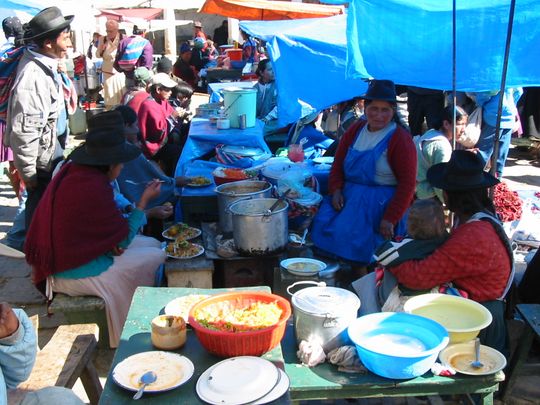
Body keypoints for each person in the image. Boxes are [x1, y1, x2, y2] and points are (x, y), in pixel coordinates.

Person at [24, 122, 167, 348]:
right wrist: (143, 203)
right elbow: (122, 239)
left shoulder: (77, 173)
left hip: (70, 257)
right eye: (120, 164)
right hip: (69, 269)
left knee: (153, 244)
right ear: (110, 164)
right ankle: (131, 334)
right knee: (156, 257)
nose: (121, 169)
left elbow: (106, 233)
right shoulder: (92, 187)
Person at [386, 150, 513, 354]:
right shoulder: (479, 220)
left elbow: (417, 277)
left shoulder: (474, 235)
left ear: (449, 194)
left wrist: (390, 259)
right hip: (475, 308)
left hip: (478, 323)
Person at [311, 80, 417, 272]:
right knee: (329, 231)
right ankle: (349, 279)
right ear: (364, 107)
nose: (378, 115)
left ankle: (368, 285)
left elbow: (408, 185)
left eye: (385, 110)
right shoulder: (356, 129)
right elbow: (338, 164)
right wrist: (336, 190)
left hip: (381, 205)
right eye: (373, 108)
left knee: (372, 254)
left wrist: (390, 218)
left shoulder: (400, 138)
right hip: (351, 198)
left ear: (393, 111)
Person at [4, 6, 73, 229]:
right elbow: (25, 130)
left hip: (48, 154)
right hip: (40, 164)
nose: (70, 44)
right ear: (48, 43)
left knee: (43, 213)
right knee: (36, 216)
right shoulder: (33, 76)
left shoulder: (46, 65)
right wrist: (29, 174)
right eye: (66, 38)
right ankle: (25, 250)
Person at [372, 199, 450, 312]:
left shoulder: (409, 246)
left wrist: (391, 242)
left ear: (410, 227)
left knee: (383, 274)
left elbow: (381, 255)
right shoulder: (446, 240)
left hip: (407, 299)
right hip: (435, 296)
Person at [415, 105, 468, 203]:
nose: (463, 129)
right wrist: (449, 204)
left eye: (465, 124)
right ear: (446, 124)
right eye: (460, 124)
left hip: (416, 191)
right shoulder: (442, 146)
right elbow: (441, 183)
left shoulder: (431, 133)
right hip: (426, 198)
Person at [138, 73, 183, 176]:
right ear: (158, 90)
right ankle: (172, 177)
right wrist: (173, 117)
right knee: (180, 152)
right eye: (167, 89)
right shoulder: (149, 105)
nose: (171, 92)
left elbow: (170, 113)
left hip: (163, 142)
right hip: (152, 147)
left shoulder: (162, 101)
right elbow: (158, 131)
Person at [472, 88, 523, 178]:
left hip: (493, 116)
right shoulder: (513, 77)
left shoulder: (495, 76)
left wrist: (479, 102)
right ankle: (496, 181)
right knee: (501, 155)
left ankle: (475, 178)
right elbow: (519, 91)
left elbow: (486, 93)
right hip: (509, 118)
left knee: (483, 152)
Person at [96, 19, 124, 108]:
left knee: (121, 101)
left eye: (111, 31)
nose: (108, 33)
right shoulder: (102, 39)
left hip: (120, 75)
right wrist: (102, 48)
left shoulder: (123, 38)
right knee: (109, 103)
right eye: (107, 31)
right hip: (108, 75)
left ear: (117, 30)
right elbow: (97, 55)